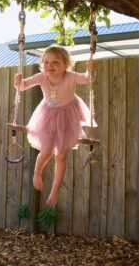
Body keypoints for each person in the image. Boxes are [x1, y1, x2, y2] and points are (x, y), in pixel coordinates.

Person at [14, 44, 96, 206]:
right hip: (48, 115)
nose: (49, 66)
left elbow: (87, 79)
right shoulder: (41, 77)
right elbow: (23, 86)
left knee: (61, 155)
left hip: (68, 116)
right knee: (47, 150)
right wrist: (18, 82)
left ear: (66, 65)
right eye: (46, 62)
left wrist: (90, 70)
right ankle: (37, 173)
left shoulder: (71, 76)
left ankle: (55, 189)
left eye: (55, 62)